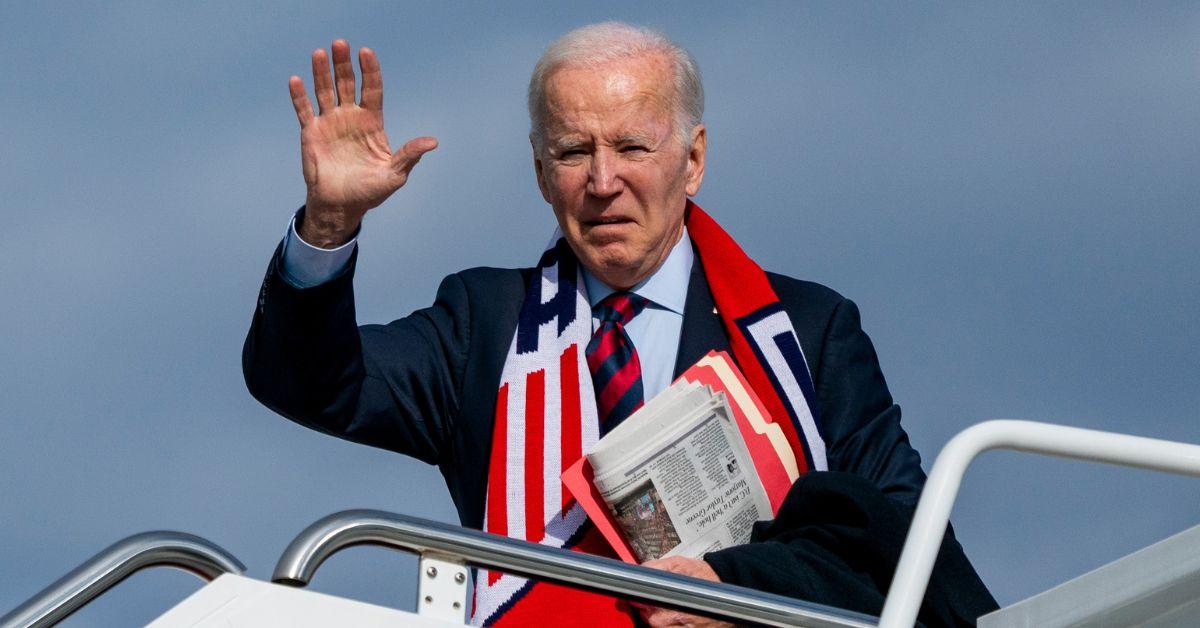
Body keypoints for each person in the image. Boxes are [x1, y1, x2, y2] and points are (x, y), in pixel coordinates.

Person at [244, 22, 996, 627]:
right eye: (574, 151)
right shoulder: (484, 326)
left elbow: (907, 545)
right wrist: (330, 222)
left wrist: (732, 588)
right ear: (542, 174)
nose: (604, 182)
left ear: (693, 160)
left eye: (633, 146)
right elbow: (309, 383)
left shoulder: (808, 330)